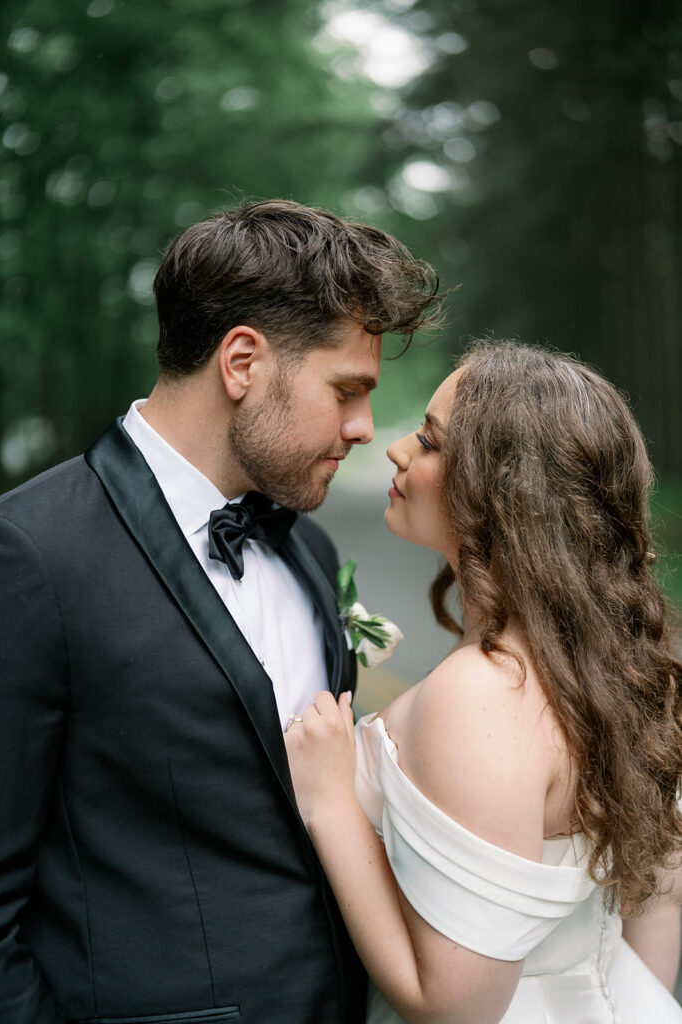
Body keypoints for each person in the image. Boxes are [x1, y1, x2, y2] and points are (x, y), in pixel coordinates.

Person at [0, 199, 439, 1024]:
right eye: (346, 389)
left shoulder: (303, 550)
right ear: (242, 362)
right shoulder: (29, 554)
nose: (364, 427)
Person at [285, 340, 682, 1024]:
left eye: (431, 443)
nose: (397, 450)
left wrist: (330, 805)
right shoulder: (625, 664)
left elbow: (453, 1008)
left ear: (505, 491)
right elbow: (661, 889)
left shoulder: (482, 695)